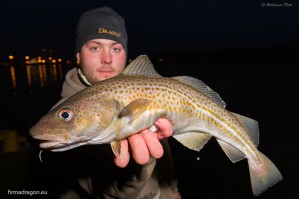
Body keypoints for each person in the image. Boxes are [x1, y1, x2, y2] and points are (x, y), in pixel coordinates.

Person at [41, 6, 181, 199]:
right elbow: (102, 183)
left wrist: (173, 191)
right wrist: (137, 170)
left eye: (116, 48)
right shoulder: (62, 120)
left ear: (126, 54)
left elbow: (166, 167)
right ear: (78, 55)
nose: (107, 59)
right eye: (95, 47)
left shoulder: (145, 91)